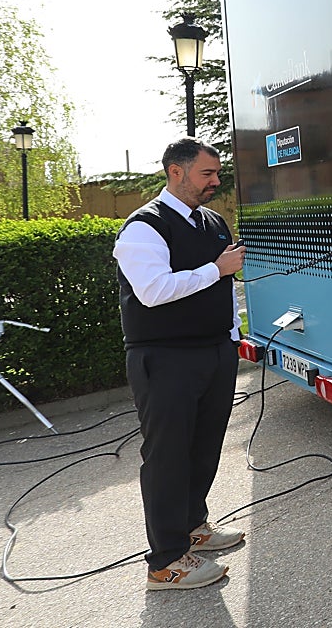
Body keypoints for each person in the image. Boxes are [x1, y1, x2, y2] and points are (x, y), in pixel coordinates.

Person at [113, 138, 247, 591]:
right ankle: (166, 562)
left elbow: (224, 289)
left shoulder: (213, 222)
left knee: (204, 445)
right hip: (165, 359)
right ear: (176, 172)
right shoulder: (143, 227)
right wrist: (217, 269)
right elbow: (152, 290)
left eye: (216, 173)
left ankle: (193, 527)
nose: (215, 181)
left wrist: (232, 339)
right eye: (207, 174)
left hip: (214, 353)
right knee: (168, 456)